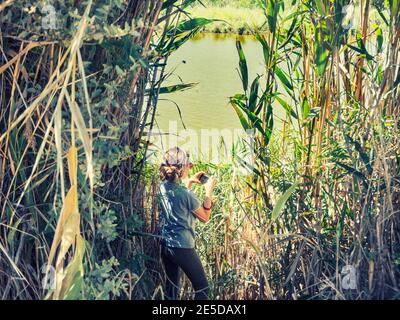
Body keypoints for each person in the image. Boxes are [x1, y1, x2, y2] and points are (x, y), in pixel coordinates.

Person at [157, 147, 217, 300]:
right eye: (188, 164)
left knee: (171, 290)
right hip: (182, 247)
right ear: (181, 167)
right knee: (203, 289)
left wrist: (189, 181)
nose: (191, 166)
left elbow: (179, 202)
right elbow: (204, 218)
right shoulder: (186, 194)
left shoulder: (162, 187)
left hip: (166, 245)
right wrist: (208, 192)